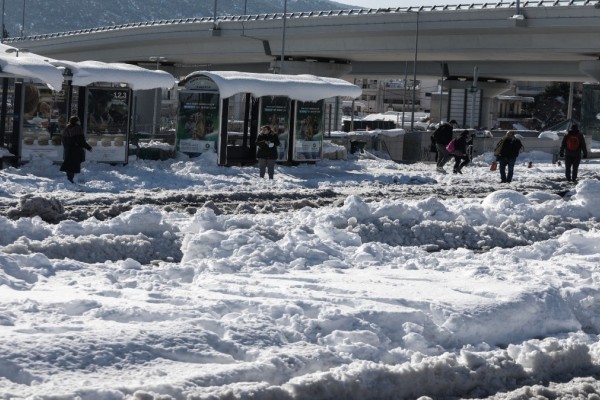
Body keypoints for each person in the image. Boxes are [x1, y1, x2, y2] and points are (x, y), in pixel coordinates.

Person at [60, 116, 92, 183]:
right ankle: (70, 179)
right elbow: (80, 140)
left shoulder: (67, 129)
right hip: (75, 150)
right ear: (76, 122)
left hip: (68, 150)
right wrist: (88, 147)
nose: (79, 122)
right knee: (73, 165)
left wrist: (67, 147)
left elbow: (63, 140)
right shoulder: (77, 128)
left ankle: (69, 179)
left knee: (69, 165)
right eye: (78, 121)